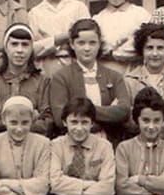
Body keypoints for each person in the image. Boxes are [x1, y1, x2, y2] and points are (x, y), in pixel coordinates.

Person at [49, 18, 130, 146]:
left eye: (92, 43)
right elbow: (60, 118)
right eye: (81, 43)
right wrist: (108, 113)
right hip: (73, 145)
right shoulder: (61, 77)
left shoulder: (114, 77)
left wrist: (79, 112)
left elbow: (123, 111)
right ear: (72, 44)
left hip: (109, 143)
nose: (87, 48)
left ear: (99, 44)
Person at [124, 23, 164, 144]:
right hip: (136, 146)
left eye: (160, 48)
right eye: (149, 48)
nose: (155, 53)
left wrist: (147, 125)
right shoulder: (128, 80)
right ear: (142, 50)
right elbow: (126, 118)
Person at [28, 0, 90, 77]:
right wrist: (64, 37)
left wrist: (47, 44)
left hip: (74, 70)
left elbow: (87, 41)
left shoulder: (78, 8)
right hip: (45, 72)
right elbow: (32, 49)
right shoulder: (34, 14)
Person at [0, 23, 54, 137]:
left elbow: (47, 121)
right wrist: (32, 118)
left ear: (32, 49)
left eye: (25, 45)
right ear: (6, 47)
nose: (20, 50)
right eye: (14, 44)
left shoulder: (43, 81)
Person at [91, 0, 151, 73]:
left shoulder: (141, 15)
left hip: (134, 74)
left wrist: (113, 52)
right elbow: (97, 49)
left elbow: (143, 47)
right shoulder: (98, 19)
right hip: (105, 74)